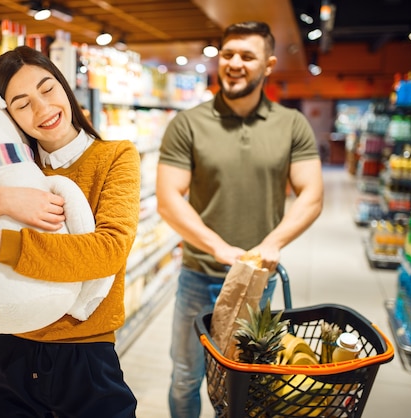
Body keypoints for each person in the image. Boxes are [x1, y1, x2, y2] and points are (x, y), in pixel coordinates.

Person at [0, 46, 140, 418]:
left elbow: (108, 252)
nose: (42, 109)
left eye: (47, 89)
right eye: (22, 103)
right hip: (8, 351)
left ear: (64, 87)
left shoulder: (114, 156)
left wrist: (1, 245)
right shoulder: (4, 166)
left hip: (83, 354)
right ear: (6, 114)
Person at [156, 21, 324, 418]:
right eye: (228, 54)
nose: (234, 63)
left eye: (246, 56)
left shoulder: (291, 125)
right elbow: (167, 198)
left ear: (268, 65)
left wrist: (273, 243)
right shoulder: (188, 123)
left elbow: (312, 195)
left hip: (256, 282)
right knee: (184, 376)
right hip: (197, 276)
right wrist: (218, 247)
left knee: (240, 380)